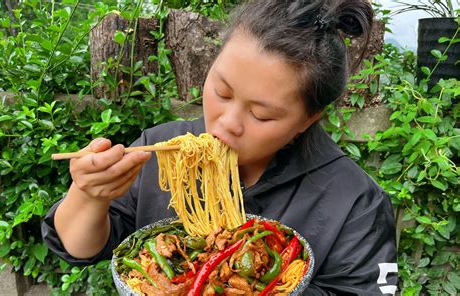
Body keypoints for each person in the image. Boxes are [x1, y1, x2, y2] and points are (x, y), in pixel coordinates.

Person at [42, 0, 398, 294]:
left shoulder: (356, 202)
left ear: (308, 119)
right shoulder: (159, 148)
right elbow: (78, 248)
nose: (227, 122)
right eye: (221, 91)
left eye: (261, 114)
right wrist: (90, 194)